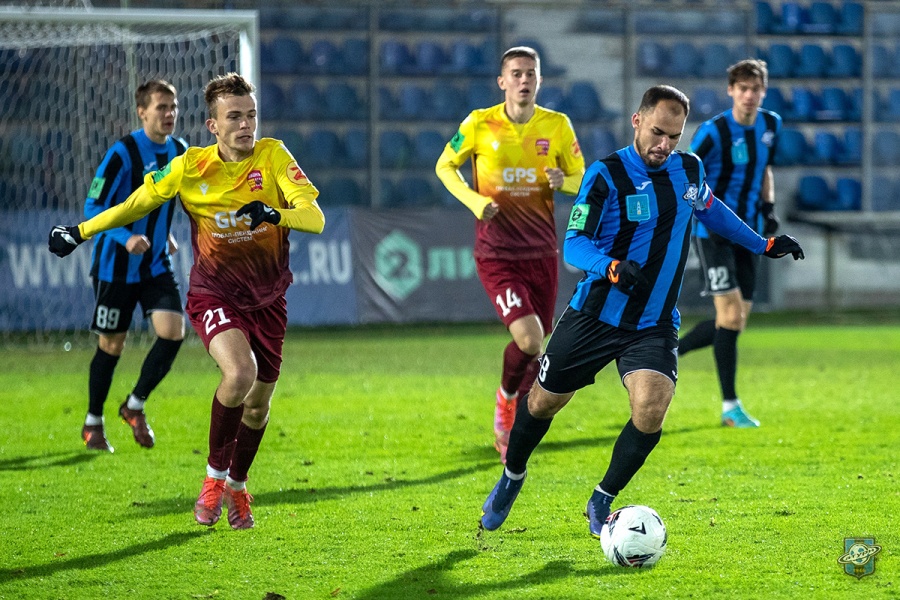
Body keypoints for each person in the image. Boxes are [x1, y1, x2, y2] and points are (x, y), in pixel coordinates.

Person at [479, 85, 804, 537]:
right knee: (542, 402)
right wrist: (610, 267)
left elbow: (712, 211)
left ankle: (603, 498)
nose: (664, 145)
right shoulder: (606, 174)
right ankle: (513, 476)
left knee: (652, 408)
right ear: (637, 120)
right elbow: (574, 244)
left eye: (674, 136)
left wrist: (762, 244)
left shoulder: (689, 169)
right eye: (657, 133)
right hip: (594, 316)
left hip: (653, 322)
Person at [49, 73, 325, 530]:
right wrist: (80, 232)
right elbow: (136, 203)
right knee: (240, 374)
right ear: (213, 125)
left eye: (251, 115)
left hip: (268, 299)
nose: (245, 125)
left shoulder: (273, 155)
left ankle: (238, 485)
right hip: (214, 291)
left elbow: (314, 216)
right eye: (234, 117)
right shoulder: (190, 166)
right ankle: (212, 481)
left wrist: (274, 213)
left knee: (258, 407)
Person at [435, 46, 585, 463]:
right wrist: (474, 201)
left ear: (539, 80)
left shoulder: (557, 125)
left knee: (536, 345)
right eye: (516, 73)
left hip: (541, 251)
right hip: (497, 252)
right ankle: (506, 402)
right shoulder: (479, 123)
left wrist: (562, 180)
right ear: (502, 81)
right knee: (530, 338)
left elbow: (582, 178)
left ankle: (516, 423)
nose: (524, 80)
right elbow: (445, 166)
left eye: (530, 73)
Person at [79, 79, 188, 453]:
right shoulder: (123, 153)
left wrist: (164, 234)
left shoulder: (180, 151)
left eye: (173, 107)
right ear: (142, 112)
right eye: (161, 107)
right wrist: (126, 237)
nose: (169, 113)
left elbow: (168, 201)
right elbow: (93, 208)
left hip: (155, 263)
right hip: (115, 267)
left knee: (173, 332)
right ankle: (93, 421)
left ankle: (135, 405)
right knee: (112, 345)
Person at [677, 59, 782, 428]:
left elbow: (765, 169)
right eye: (743, 88)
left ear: (763, 92)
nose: (749, 95)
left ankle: (670, 351)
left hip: (751, 234)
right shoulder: (714, 132)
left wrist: (768, 207)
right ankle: (730, 407)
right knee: (730, 317)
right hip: (715, 235)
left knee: (735, 321)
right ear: (731, 91)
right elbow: (686, 172)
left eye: (756, 89)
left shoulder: (771, 125)